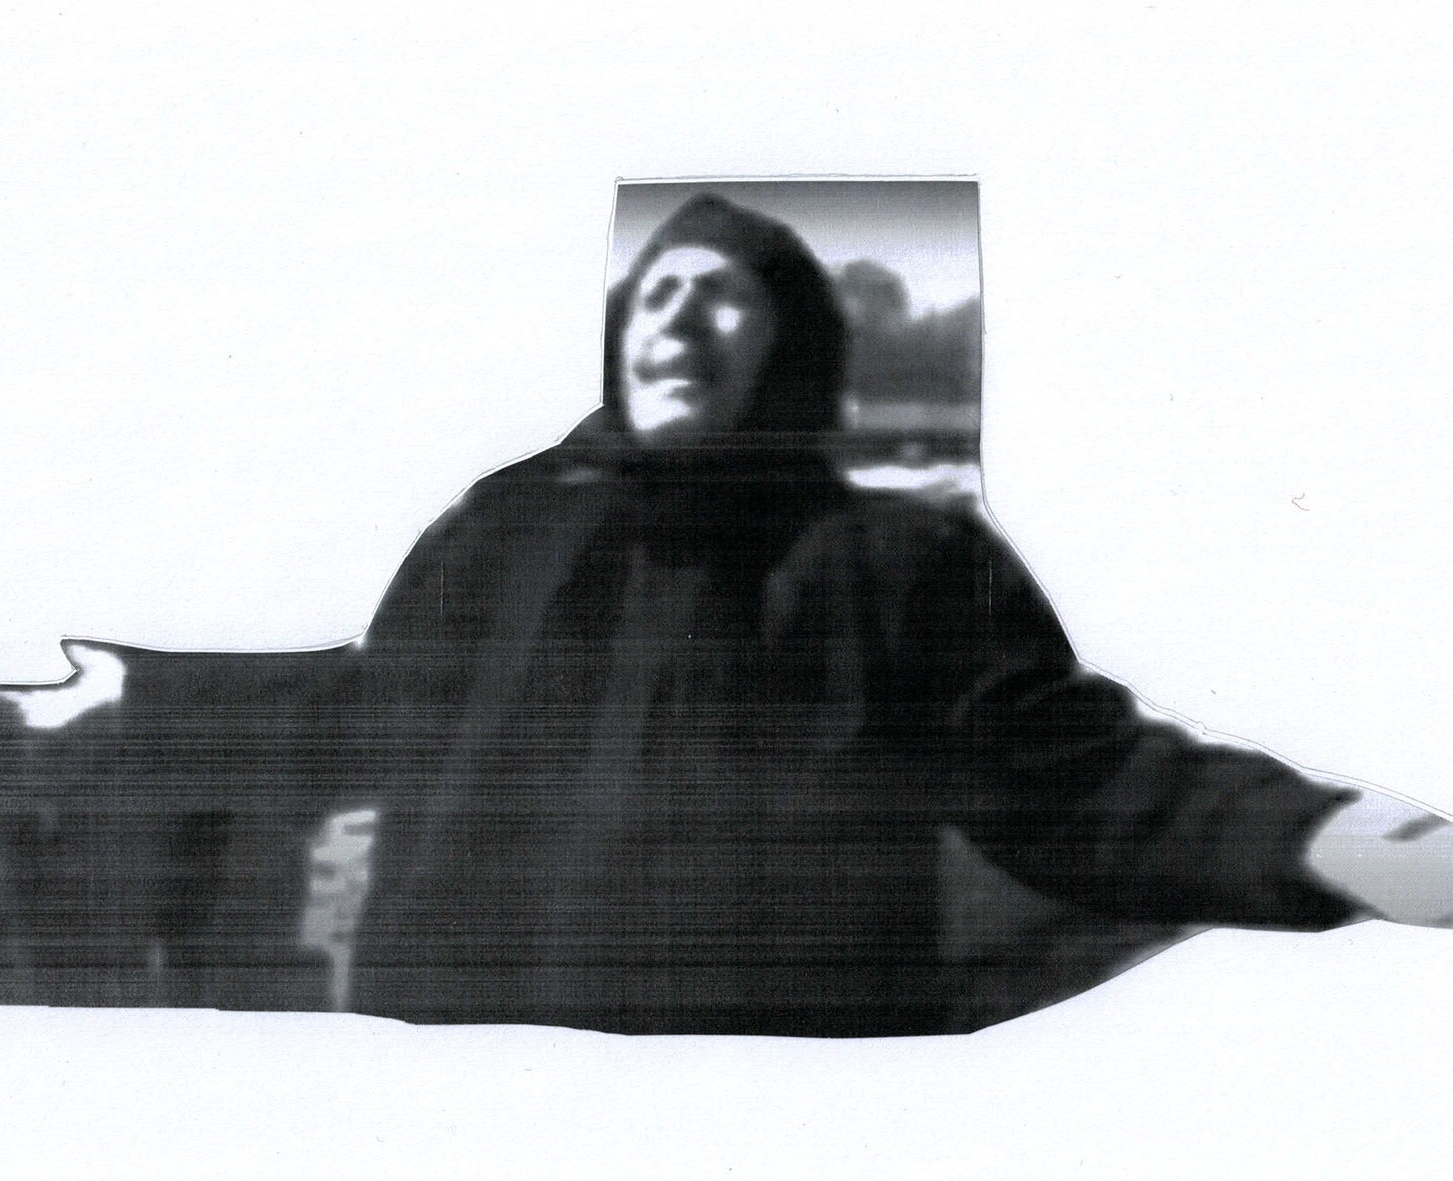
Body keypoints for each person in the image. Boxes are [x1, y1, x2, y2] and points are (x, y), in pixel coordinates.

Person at [316, 192, 1453, 1037]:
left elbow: (1075, 774)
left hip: (794, 1099)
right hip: (477, 1080)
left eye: (723, 296)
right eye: (658, 293)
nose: (680, 318)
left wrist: (1324, 839)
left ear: (790, 347)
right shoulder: (499, 526)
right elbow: (365, 759)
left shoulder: (902, 561)